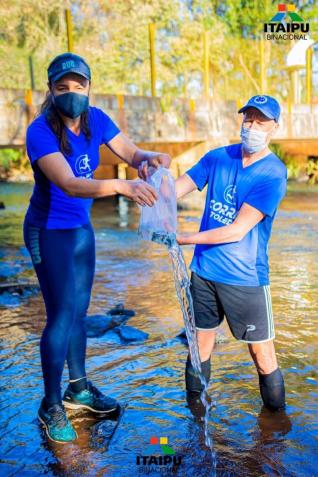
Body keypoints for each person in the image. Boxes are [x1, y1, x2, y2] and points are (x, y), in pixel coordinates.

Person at [23, 52, 171, 443]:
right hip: (48, 231)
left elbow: (132, 153)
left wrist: (149, 159)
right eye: (63, 87)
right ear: (52, 91)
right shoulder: (39, 131)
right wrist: (123, 186)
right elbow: (70, 183)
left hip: (80, 231)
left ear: (89, 87)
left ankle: (79, 389)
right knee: (62, 314)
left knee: (80, 311)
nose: (72, 93)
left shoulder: (97, 120)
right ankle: (51, 404)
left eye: (79, 85)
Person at [174, 95, 287, 412]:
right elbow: (173, 189)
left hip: (245, 279)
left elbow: (237, 230)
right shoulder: (218, 158)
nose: (251, 126)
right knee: (199, 345)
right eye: (248, 118)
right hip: (204, 273)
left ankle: (275, 427)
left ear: (273, 128)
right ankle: (195, 419)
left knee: (262, 355)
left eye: (260, 121)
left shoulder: (273, 173)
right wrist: (146, 187)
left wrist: (182, 237)